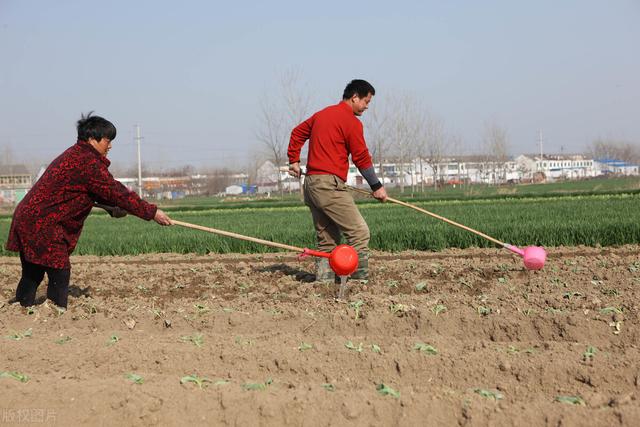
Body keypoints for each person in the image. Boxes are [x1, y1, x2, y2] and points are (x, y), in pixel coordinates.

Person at [6, 112, 172, 309]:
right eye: (107, 140)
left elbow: (94, 192)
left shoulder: (76, 154)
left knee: (33, 270)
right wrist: (152, 213)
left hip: (30, 219)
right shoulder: (87, 162)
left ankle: (22, 307)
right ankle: (56, 312)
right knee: (59, 269)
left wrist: (112, 209)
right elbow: (117, 192)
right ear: (93, 139)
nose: (110, 146)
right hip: (44, 224)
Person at [288, 79, 387, 282]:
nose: (367, 106)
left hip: (312, 185)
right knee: (359, 232)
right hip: (329, 186)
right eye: (366, 101)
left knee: (327, 240)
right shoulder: (351, 122)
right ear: (354, 97)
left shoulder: (321, 114)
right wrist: (376, 186)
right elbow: (361, 157)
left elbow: (297, 133)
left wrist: (294, 161)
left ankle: (324, 282)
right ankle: (359, 281)